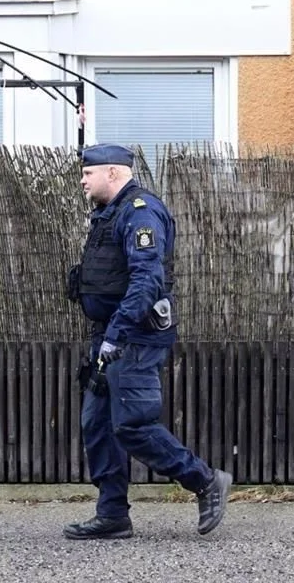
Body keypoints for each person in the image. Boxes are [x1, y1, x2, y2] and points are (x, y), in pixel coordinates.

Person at [64, 143, 232, 540]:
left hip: (134, 337)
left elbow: (146, 281)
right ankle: (112, 515)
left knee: (133, 425)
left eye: (89, 173)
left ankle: (206, 481)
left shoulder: (142, 212)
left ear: (113, 173)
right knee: (97, 424)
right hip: (108, 335)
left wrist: (117, 335)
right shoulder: (108, 214)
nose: (83, 180)